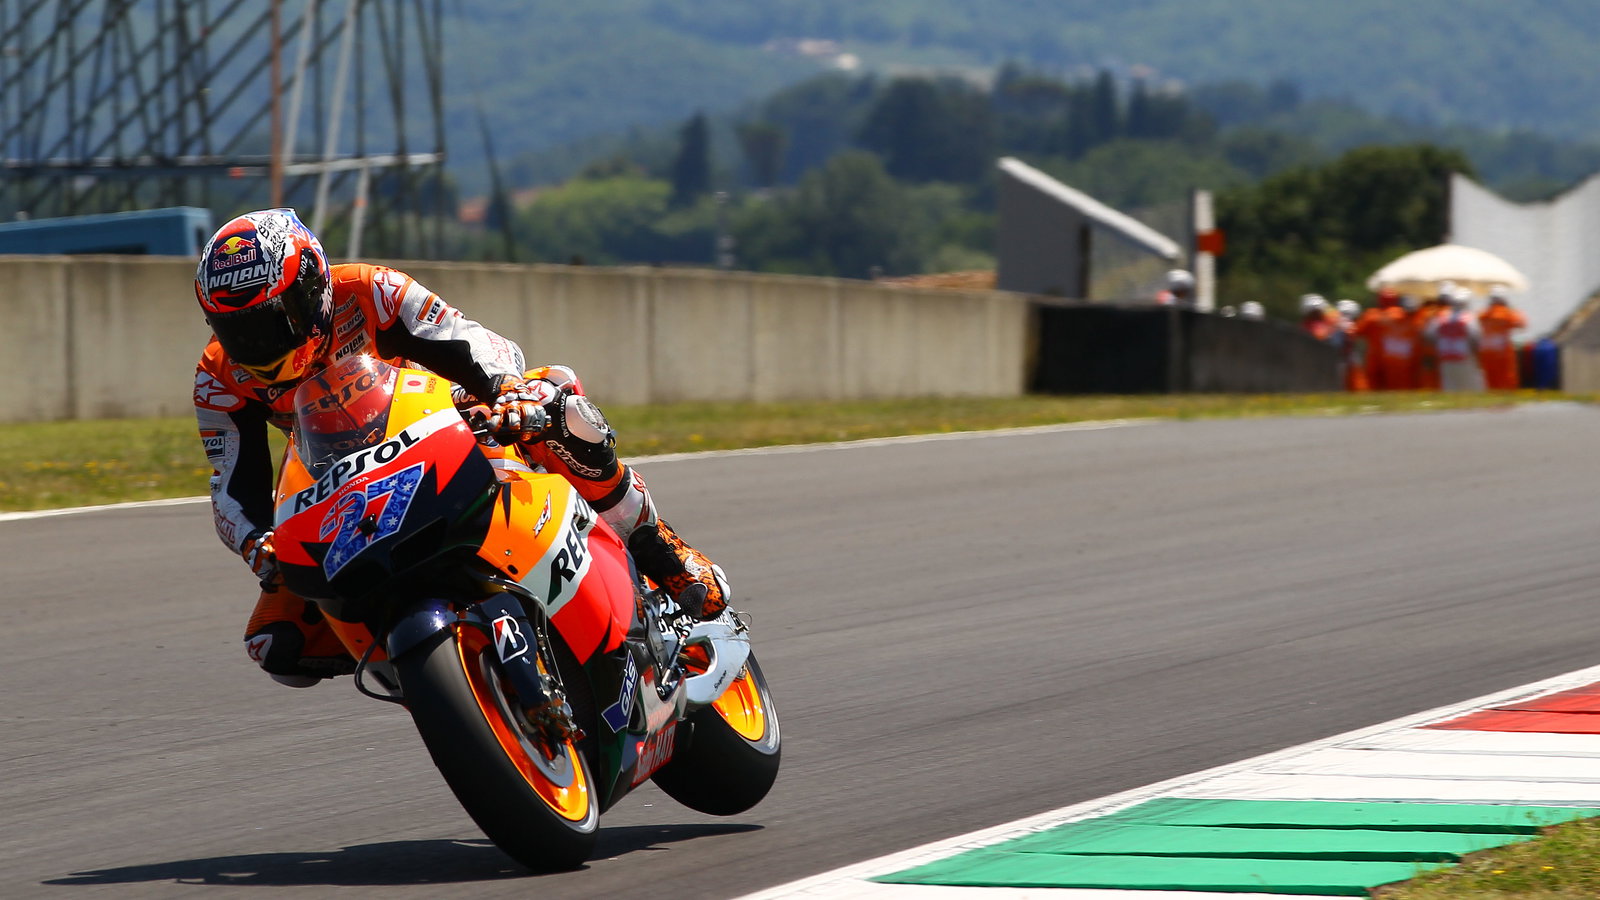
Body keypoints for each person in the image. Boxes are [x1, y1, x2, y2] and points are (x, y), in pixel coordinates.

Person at [193, 208, 730, 687]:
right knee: (277, 642)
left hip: (449, 426)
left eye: (273, 321)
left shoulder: (373, 290)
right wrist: (258, 543)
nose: (258, 346)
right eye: (238, 331)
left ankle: (656, 546)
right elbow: (231, 485)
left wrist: (509, 392)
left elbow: (471, 341)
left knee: (557, 410)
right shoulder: (218, 377)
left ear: (313, 290)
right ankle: (445, 677)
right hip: (344, 490)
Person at [1425, 287, 1483, 392]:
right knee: (1468, 385)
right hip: (1464, 356)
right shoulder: (1469, 318)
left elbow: (1429, 335)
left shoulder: (1442, 317)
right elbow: (1475, 337)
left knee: (1449, 385)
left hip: (1446, 355)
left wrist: (1440, 345)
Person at [1478, 284, 1527, 390]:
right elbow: (1522, 324)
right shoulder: (1507, 314)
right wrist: (1513, 308)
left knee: (1490, 377)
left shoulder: (1483, 315)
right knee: (1506, 377)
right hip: (1503, 351)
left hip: (1487, 351)